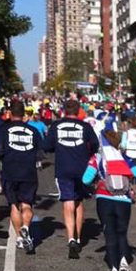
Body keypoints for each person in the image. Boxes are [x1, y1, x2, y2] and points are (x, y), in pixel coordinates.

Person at [83, 130, 136, 271]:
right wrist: (135, 191)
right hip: (123, 201)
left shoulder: (98, 158)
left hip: (104, 199)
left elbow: (86, 179)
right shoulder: (125, 158)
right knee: (122, 233)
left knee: (109, 233)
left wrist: (96, 184)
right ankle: (124, 262)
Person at [43, 98, 100, 259]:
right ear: (79, 111)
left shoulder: (56, 126)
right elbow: (95, 145)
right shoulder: (86, 126)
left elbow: (47, 146)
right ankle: (79, 237)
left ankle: (71, 238)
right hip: (82, 169)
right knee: (79, 201)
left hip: (63, 168)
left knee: (68, 201)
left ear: (63, 111)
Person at [0, 100, 42, 254]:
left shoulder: (3, 129)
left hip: (10, 170)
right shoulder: (33, 131)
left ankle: (20, 238)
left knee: (14, 205)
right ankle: (26, 227)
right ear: (24, 115)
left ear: (10, 113)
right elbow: (41, 153)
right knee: (27, 204)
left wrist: (1, 156)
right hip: (28, 171)